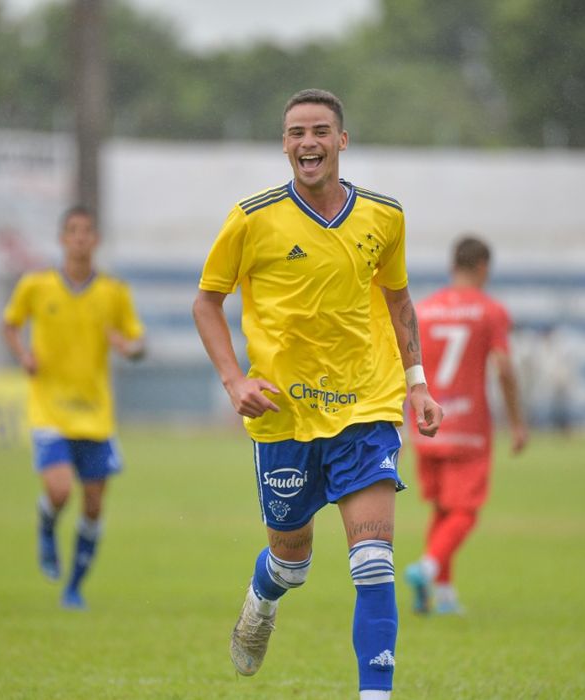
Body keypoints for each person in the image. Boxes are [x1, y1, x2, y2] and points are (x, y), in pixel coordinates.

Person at [192, 88, 443, 700]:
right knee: (292, 562)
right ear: (285, 144)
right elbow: (207, 301)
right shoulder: (251, 218)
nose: (310, 142)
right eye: (298, 132)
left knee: (374, 561)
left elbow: (399, 300)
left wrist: (417, 384)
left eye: (321, 131)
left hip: (366, 407)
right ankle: (263, 597)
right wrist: (234, 379)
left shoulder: (385, 216)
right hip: (285, 414)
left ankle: (374, 695)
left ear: (341, 141)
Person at [1, 205, 146, 611]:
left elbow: (138, 343)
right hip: (50, 409)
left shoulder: (113, 293)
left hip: (96, 414)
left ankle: (74, 587)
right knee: (60, 489)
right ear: (62, 239)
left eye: (87, 231)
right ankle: (46, 523)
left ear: (95, 240)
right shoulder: (36, 285)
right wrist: (23, 355)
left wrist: (128, 347)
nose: (80, 238)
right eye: (72, 231)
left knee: (95, 504)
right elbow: (9, 324)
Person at [403, 236, 528, 615]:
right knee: (465, 511)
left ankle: (442, 595)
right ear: (483, 268)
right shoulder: (490, 311)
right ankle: (427, 568)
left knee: (442, 509)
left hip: (426, 422)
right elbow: (504, 367)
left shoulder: (423, 310)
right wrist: (517, 421)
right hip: (469, 425)